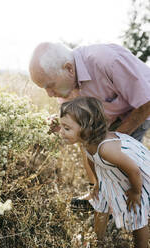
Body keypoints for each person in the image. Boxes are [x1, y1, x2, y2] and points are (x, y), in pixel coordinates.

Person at [29, 41, 150, 209]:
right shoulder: (66, 85)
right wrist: (62, 125)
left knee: (116, 158)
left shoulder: (107, 61)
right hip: (109, 115)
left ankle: (131, 204)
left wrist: (113, 139)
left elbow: (146, 102)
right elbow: (79, 123)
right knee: (89, 144)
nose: (49, 95)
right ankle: (98, 193)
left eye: (50, 86)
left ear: (69, 68)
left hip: (137, 110)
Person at [60, 96, 150, 247]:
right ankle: (98, 241)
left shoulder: (106, 149)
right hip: (109, 175)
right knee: (100, 203)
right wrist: (96, 183)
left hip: (134, 180)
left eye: (67, 128)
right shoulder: (87, 142)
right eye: (62, 126)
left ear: (86, 128)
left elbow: (134, 170)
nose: (61, 132)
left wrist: (135, 192)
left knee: (136, 214)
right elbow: (91, 160)